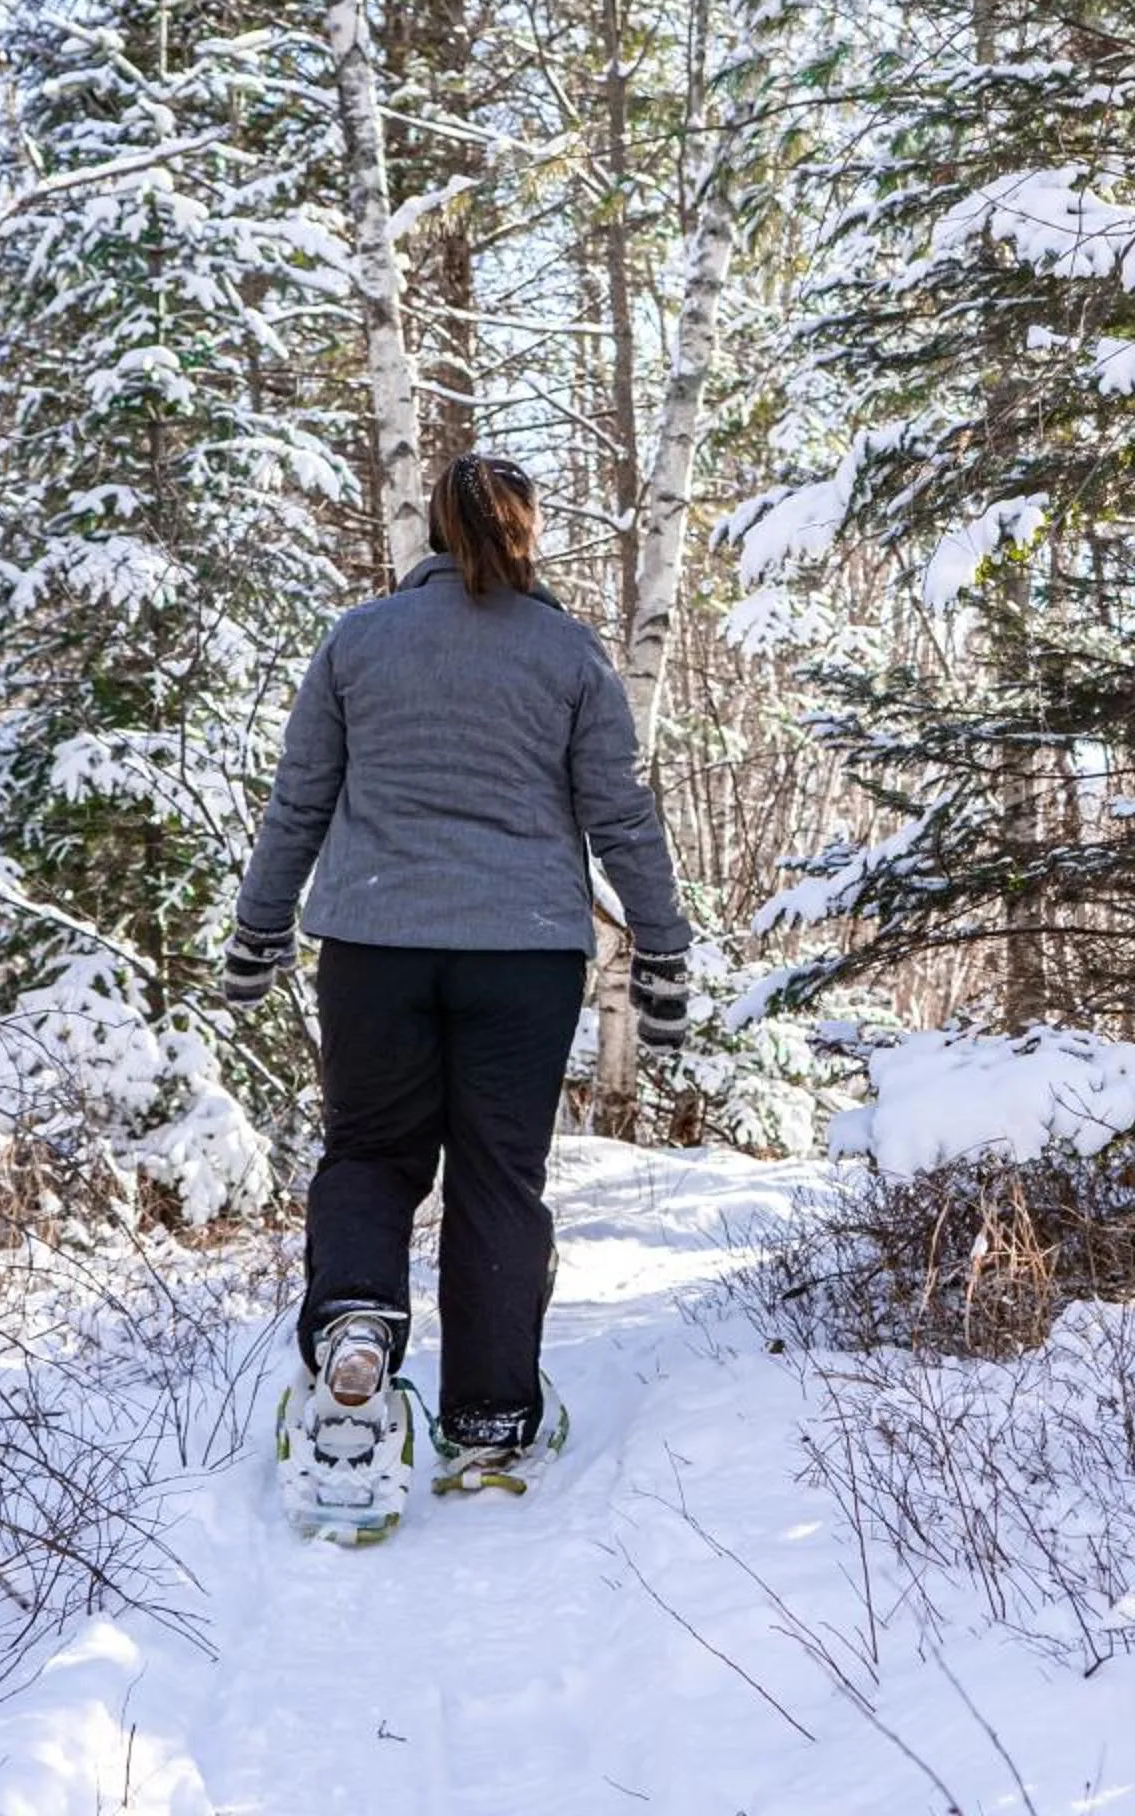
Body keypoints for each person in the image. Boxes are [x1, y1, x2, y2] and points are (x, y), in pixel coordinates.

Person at [222, 451, 691, 1491]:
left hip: (374, 947)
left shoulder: (358, 640)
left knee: (372, 1154)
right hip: (523, 957)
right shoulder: (568, 655)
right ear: (529, 532)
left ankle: (354, 1328)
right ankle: (489, 1415)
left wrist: (259, 932)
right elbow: (621, 814)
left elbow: (300, 801)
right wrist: (662, 945)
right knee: (496, 1177)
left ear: (433, 529)